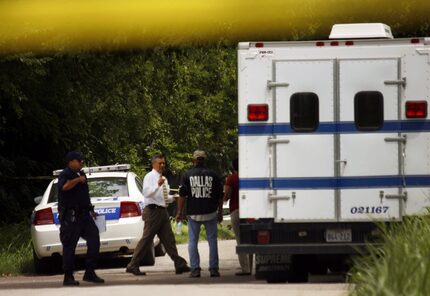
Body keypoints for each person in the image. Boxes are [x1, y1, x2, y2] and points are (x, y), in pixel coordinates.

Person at [126, 154, 190, 276]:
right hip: (153, 212)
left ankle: (179, 264)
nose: (162, 165)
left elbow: (163, 198)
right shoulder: (150, 177)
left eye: (163, 163)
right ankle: (133, 264)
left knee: (169, 239)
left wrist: (173, 198)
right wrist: (158, 185)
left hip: (162, 211)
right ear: (153, 164)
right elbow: (146, 193)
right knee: (147, 239)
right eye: (159, 163)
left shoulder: (163, 179)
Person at [57, 151, 104, 286]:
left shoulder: (82, 174)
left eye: (82, 160)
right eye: (79, 160)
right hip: (71, 217)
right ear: (71, 162)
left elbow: (84, 195)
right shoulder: (65, 174)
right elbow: (64, 187)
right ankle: (68, 276)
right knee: (70, 246)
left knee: (94, 239)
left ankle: (90, 272)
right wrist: (77, 180)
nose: (81, 163)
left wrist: (91, 210)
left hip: (84, 215)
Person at [176, 150, 224, 278]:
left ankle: (195, 269)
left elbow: (182, 195)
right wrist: (220, 212)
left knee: (192, 242)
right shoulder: (213, 175)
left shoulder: (187, 175)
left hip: (194, 214)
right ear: (204, 159)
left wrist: (179, 212)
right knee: (212, 241)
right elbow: (220, 196)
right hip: (210, 213)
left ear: (194, 160)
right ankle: (214, 269)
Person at [223, 158, 253, 276]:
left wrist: (224, 197)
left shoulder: (232, 178)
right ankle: (251, 267)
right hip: (250, 211)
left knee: (240, 240)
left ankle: (245, 269)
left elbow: (226, 196)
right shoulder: (249, 177)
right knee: (250, 240)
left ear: (233, 167)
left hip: (236, 210)